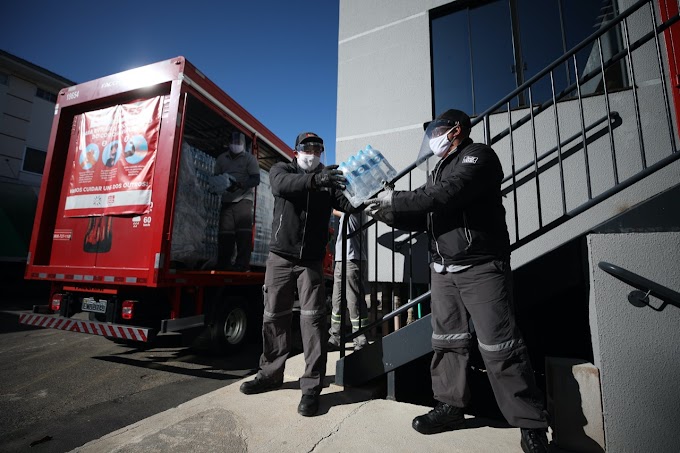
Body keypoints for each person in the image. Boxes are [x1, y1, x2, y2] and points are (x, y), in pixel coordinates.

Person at [365, 109, 550, 453]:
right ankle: (450, 407)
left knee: (501, 345)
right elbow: (426, 216)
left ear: (456, 130)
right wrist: (386, 212)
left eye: (436, 130)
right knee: (447, 341)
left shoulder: (477, 156)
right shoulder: (438, 171)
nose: (431, 137)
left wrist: (397, 198)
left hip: (480, 266)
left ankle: (531, 423)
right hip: (443, 270)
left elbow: (446, 195)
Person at [239, 132, 357, 417]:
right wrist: (316, 181)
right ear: (296, 150)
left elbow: (350, 204)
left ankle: (311, 388)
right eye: (308, 147)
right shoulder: (283, 170)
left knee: (313, 321)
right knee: (274, 316)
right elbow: (281, 186)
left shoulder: (328, 181)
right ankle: (270, 374)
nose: (313, 152)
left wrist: (367, 190)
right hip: (280, 257)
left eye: (318, 148)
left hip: (311, 262)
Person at [213, 131, 260, 271]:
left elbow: (255, 179)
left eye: (239, 143)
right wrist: (217, 185)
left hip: (243, 199)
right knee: (225, 234)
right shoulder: (221, 159)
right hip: (227, 200)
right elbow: (216, 177)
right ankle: (223, 263)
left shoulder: (249, 159)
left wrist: (241, 184)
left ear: (243, 145)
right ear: (229, 143)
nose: (236, 145)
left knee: (243, 233)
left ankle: (242, 264)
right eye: (234, 142)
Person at [328, 210, 369, 351]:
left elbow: (336, 210)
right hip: (342, 259)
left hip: (352, 260)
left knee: (354, 301)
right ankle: (335, 337)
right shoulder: (352, 211)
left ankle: (360, 338)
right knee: (337, 301)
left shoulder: (354, 209)